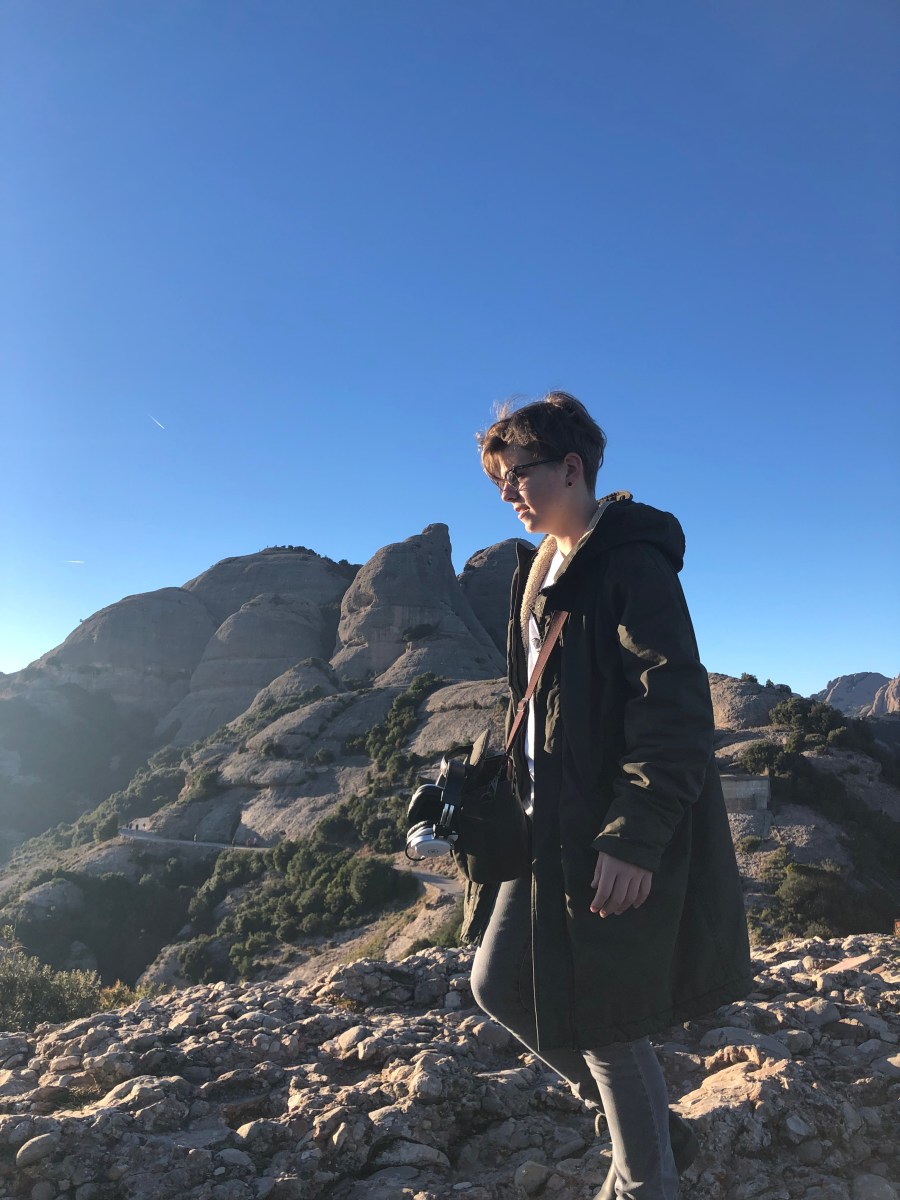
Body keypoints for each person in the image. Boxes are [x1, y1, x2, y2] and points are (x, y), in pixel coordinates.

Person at [467, 392, 752, 1200]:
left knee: (605, 1020)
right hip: (543, 827)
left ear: (572, 468)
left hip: (604, 834)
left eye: (519, 473)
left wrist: (633, 838)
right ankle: (654, 1131)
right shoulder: (536, 571)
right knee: (497, 984)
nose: (507, 492)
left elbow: (675, 713)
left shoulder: (631, 563)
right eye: (497, 480)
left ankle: (643, 1180)